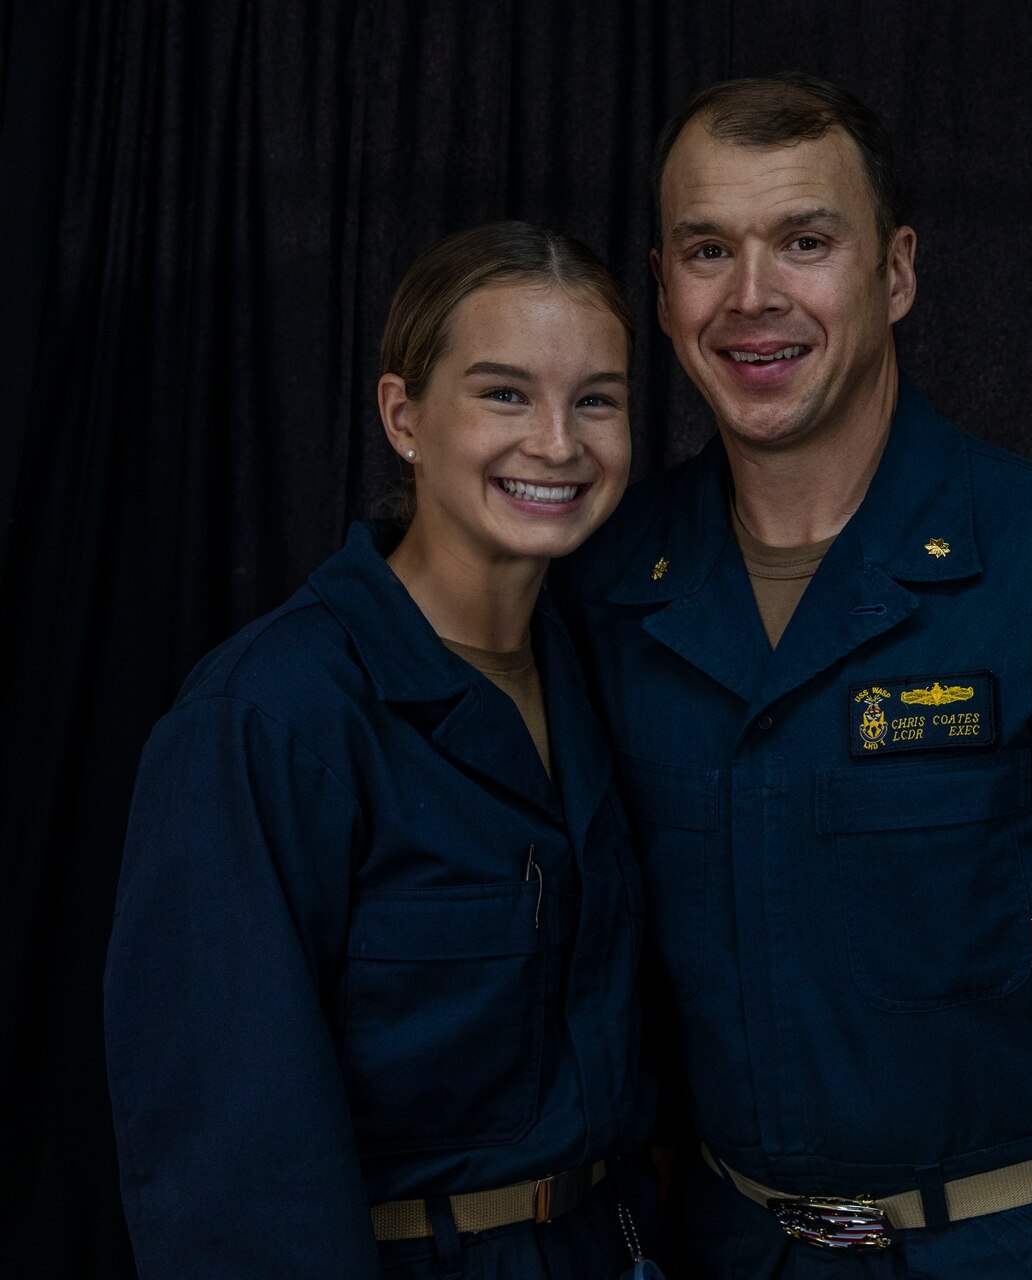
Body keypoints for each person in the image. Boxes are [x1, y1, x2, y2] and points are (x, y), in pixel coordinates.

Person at [551, 74, 1032, 1278]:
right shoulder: (608, 594)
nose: (753, 297)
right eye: (709, 249)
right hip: (733, 1250)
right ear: (662, 289)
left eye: (805, 241)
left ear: (895, 272)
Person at [105, 222, 659, 1279]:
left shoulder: (602, 674)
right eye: (504, 393)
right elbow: (229, 1160)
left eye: (596, 398)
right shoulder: (268, 716)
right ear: (404, 416)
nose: (557, 441)